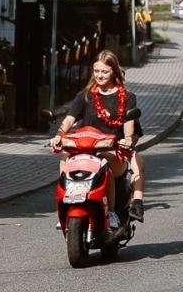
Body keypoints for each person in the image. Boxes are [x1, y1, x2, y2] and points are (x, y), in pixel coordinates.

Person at [50, 50, 141, 226]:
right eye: (96, 71)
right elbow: (70, 118)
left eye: (104, 71)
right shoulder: (85, 95)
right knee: (65, 157)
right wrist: (59, 135)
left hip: (111, 150)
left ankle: (112, 213)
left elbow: (129, 124)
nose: (99, 75)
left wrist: (127, 139)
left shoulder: (128, 97)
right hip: (84, 148)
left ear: (114, 71)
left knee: (104, 162)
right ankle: (65, 205)